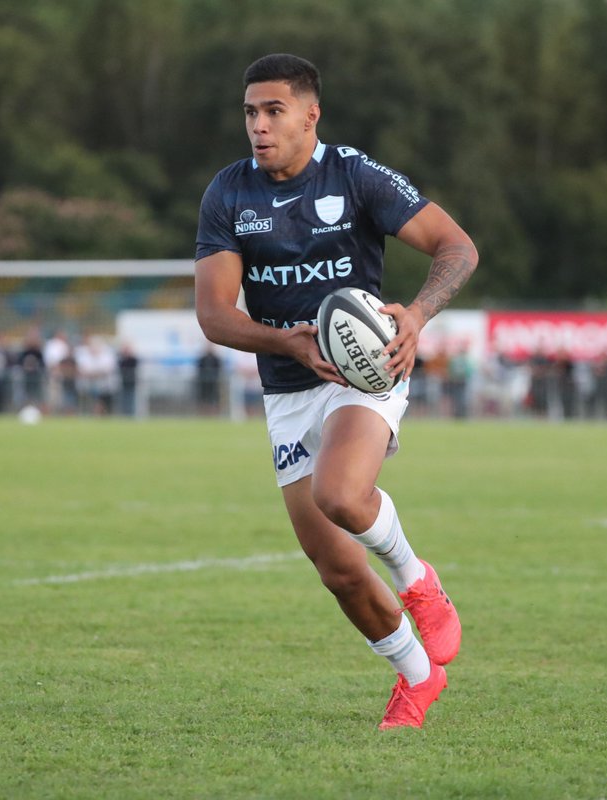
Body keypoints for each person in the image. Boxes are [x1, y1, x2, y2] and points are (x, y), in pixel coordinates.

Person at [194, 54, 478, 730]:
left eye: (274, 111)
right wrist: (288, 342)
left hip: (365, 372)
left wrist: (416, 315)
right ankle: (418, 678)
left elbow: (457, 247)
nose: (259, 126)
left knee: (342, 495)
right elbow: (213, 315)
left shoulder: (354, 175)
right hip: (288, 390)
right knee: (338, 570)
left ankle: (418, 582)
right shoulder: (229, 193)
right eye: (250, 113)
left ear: (310, 115)